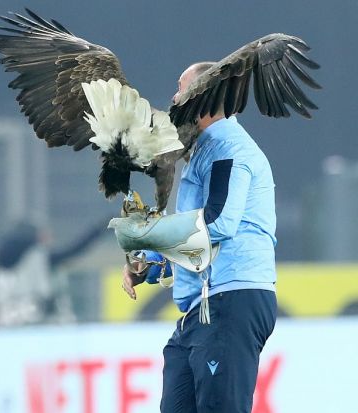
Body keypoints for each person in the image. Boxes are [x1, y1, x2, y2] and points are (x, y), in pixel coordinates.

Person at [122, 62, 277, 413]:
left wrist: (147, 234)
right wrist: (151, 264)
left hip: (230, 299)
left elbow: (218, 222)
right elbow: (198, 234)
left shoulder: (229, 148)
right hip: (204, 306)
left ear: (204, 95)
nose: (174, 98)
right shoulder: (204, 149)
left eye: (181, 87)